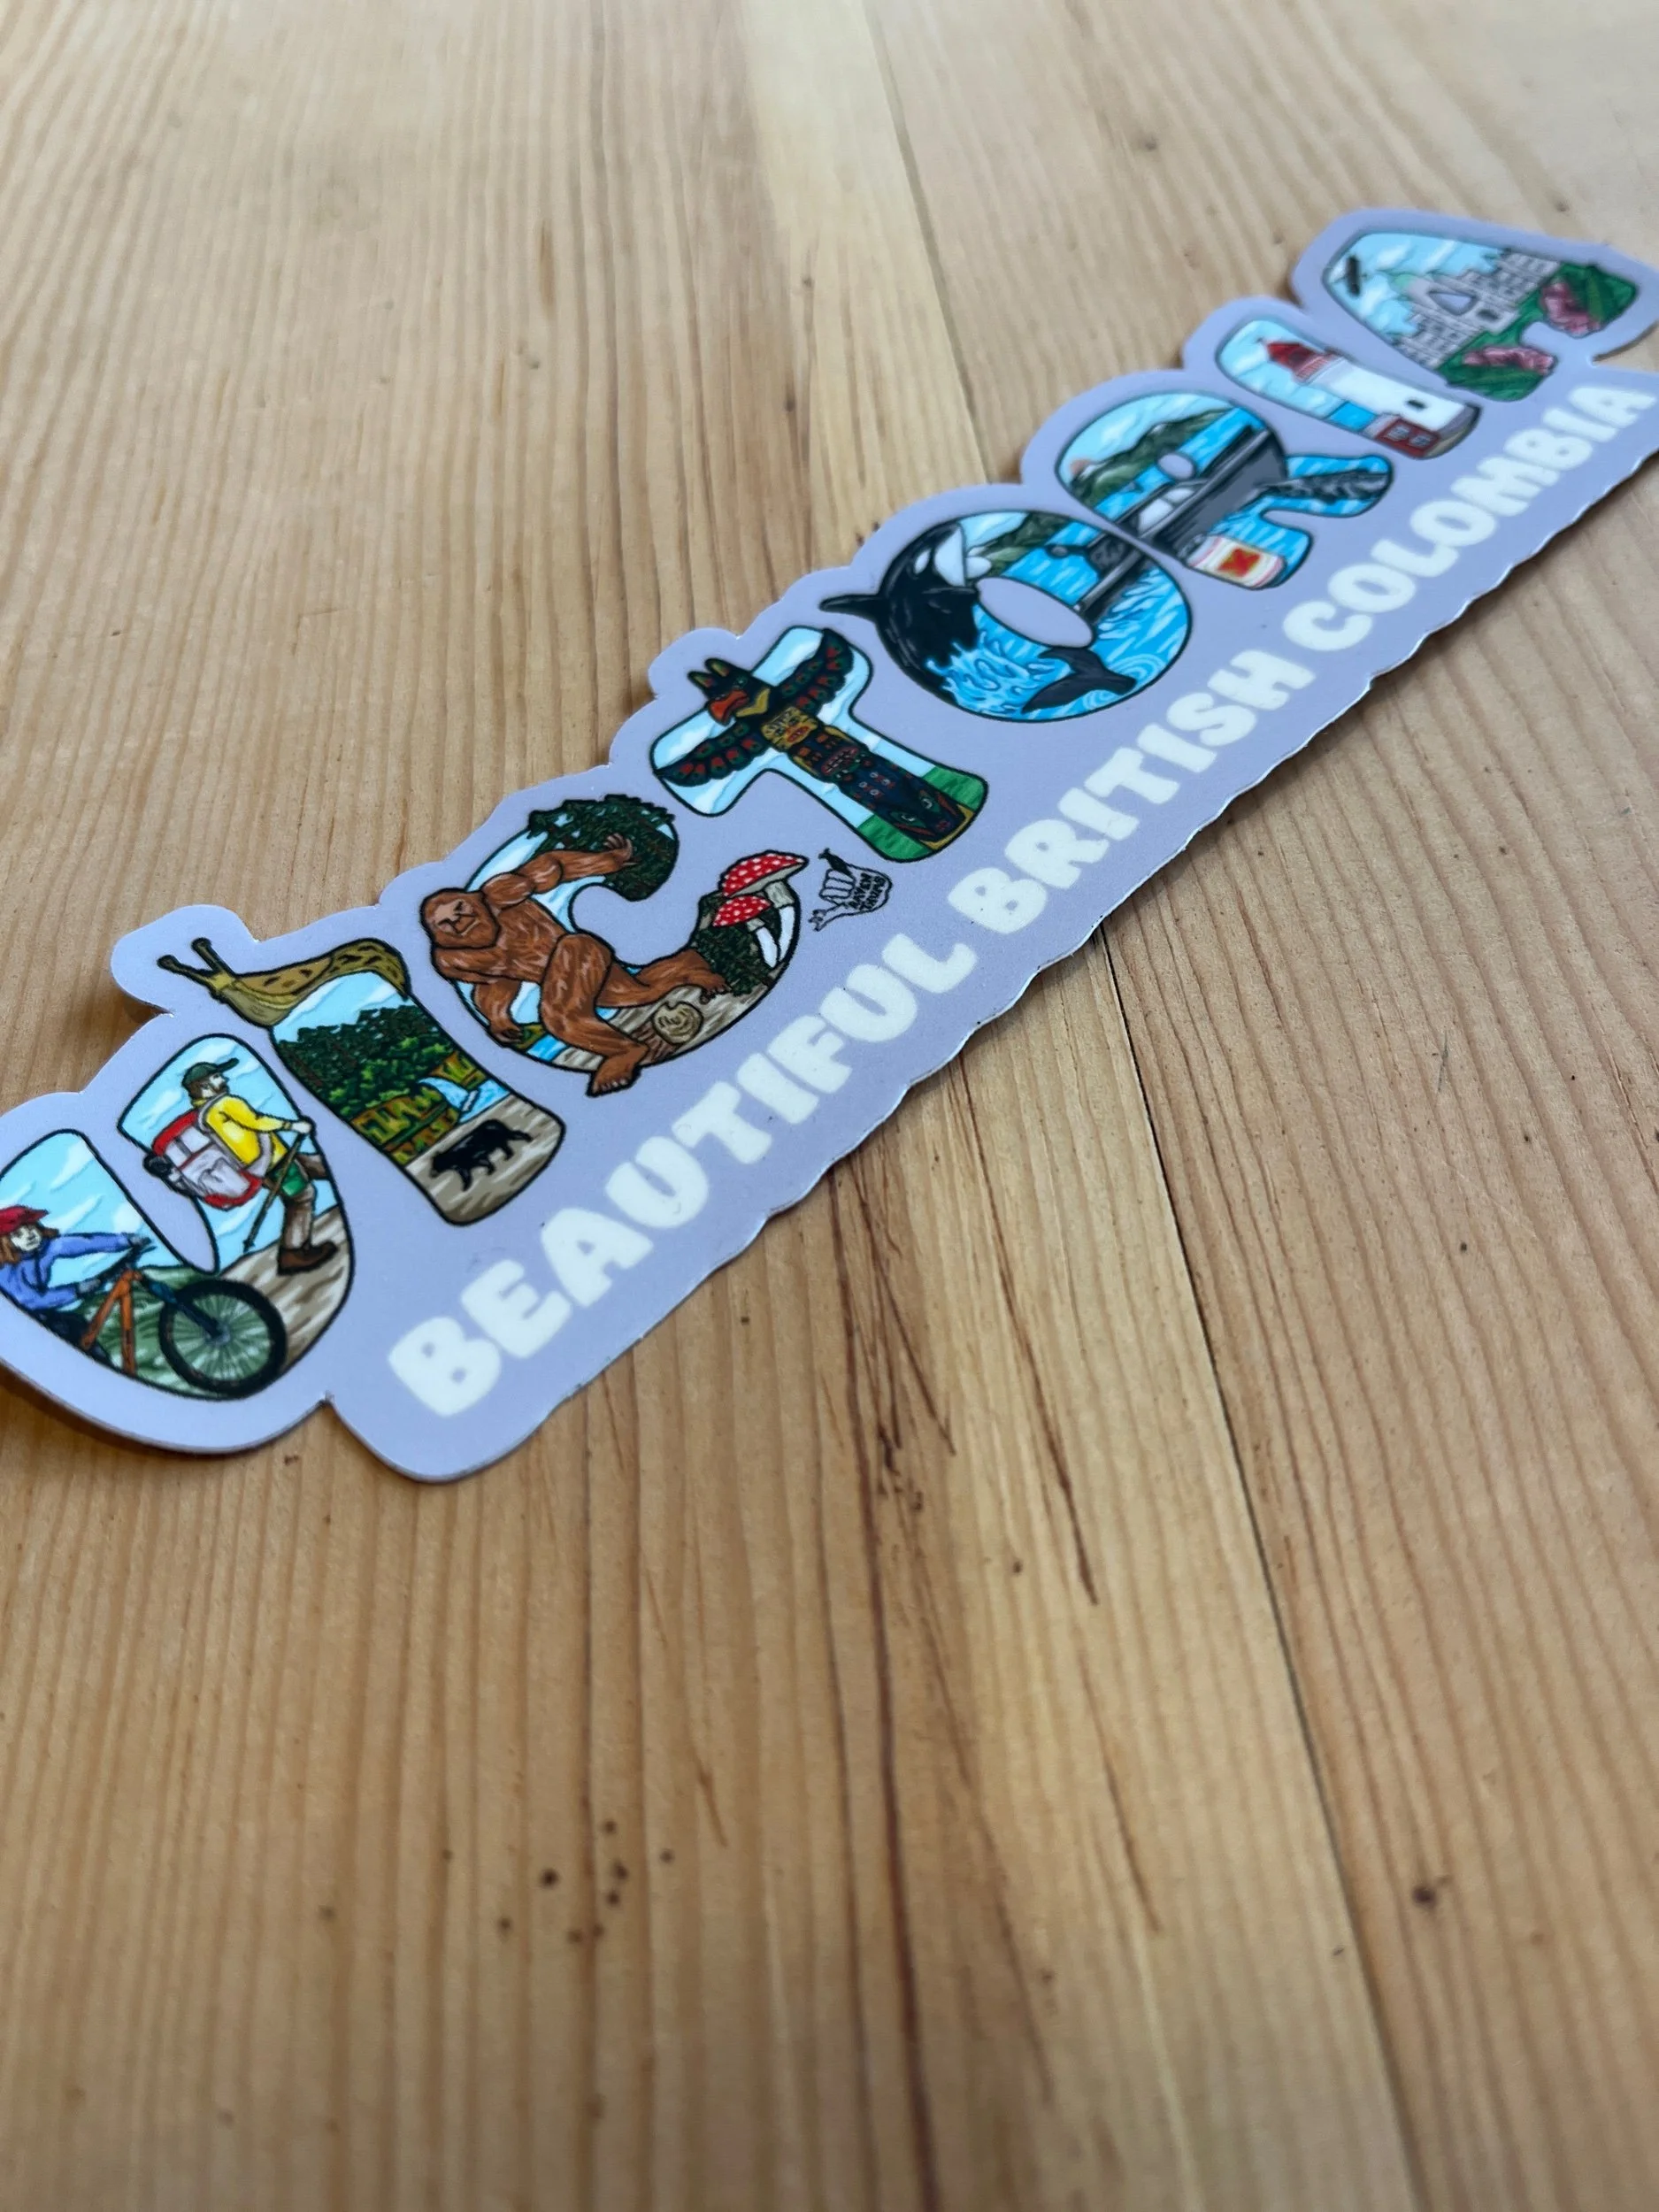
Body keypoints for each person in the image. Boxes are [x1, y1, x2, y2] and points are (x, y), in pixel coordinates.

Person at [420, 833, 725, 1095]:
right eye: (446, 924)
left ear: (472, 899)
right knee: (638, 993)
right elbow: (495, 981)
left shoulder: (499, 894)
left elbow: (553, 866)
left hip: (578, 951)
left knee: (560, 1016)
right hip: (564, 980)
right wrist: (498, 1018)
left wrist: (607, 861)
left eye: (460, 909)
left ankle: (624, 1051)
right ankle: (688, 967)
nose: (459, 921)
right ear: (439, 936)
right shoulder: (453, 960)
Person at [180, 1059, 337, 1276]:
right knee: (301, 1198)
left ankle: (360, 1179)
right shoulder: (225, 1104)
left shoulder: (203, 1116)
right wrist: (292, 1126)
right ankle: (292, 1253)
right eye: (216, 1077)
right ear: (203, 1085)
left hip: (261, 1164)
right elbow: (257, 1121)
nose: (223, 1079)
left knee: (317, 1166)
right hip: (273, 1162)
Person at [0, 1204, 135, 1349]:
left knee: (79, 1326)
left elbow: (81, 1243)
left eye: (31, 1228)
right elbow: (28, 1300)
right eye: (18, 1235)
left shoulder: (43, 1248)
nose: (29, 1235)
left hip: (42, 1311)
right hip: (18, 1322)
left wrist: (125, 1240)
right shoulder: (6, 1269)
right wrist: (76, 1291)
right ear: (5, 1242)